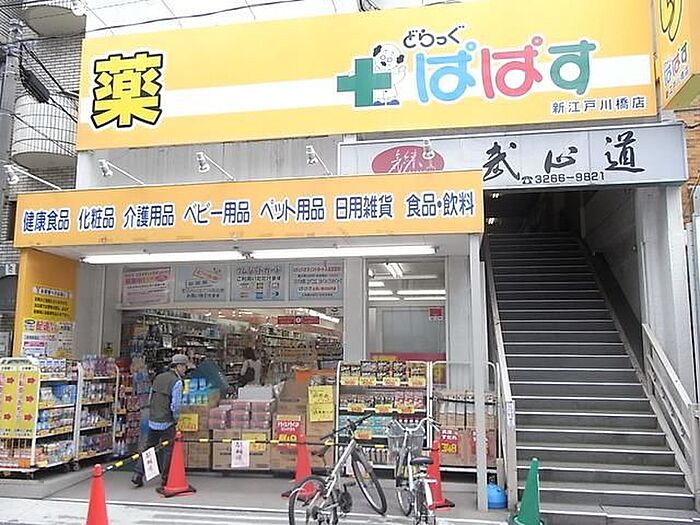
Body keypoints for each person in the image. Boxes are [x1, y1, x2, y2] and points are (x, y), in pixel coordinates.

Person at [131, 353, 188, 489]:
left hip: (153, 418)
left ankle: (138, 474)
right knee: (168, 449)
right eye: (184, 367)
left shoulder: (158, 378)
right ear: (179, 366)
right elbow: (175, 405)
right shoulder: (177, 382)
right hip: (167, 420)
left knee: (148, 448)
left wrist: (152, 413)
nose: (185, 370)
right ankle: (166, 478)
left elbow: (151, 397)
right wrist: (176, 419)